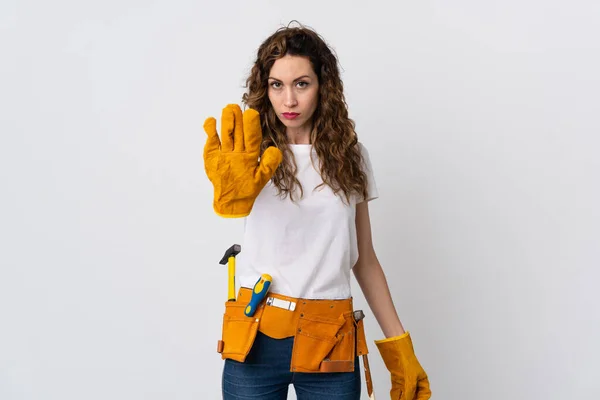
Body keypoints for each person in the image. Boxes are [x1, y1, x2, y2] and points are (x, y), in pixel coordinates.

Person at [203, 22, 431, 400]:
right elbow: (230, 203)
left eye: (301, 84)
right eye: (277, 85)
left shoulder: (351, 157)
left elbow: (365, 259)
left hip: (330, 340)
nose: (288, 100)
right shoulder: (248, 154)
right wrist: (231, 191)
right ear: (265, 88)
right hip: (255, 337)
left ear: (323, 86)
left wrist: (399, 346)